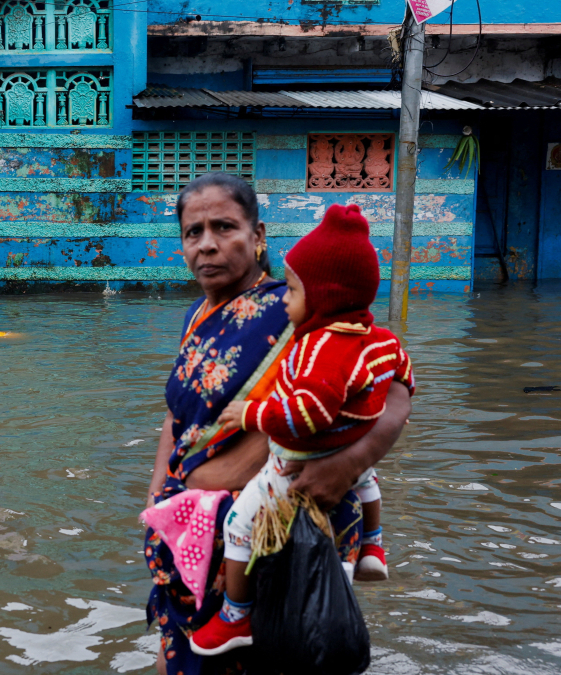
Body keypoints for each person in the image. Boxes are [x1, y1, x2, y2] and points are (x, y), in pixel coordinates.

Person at [145, 174, 412, 675]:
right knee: (177, 653)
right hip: (191, 527)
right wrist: (157, 494)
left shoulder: (301, 310)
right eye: (193, 232)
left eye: (224, 227)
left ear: (258, 235)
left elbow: (392, 385)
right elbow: (178, 415)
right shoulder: (197, 316)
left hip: (267, 531)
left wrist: (351, 462)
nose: (207, 244)